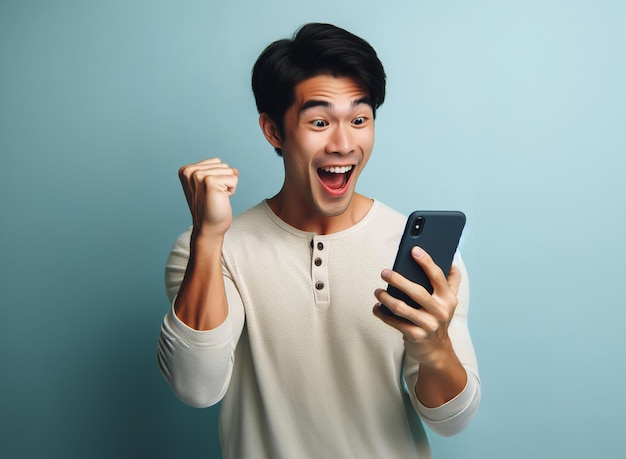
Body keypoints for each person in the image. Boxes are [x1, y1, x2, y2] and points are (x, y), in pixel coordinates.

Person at [158, 22, 480, 458]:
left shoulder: (420, 253)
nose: (344, 143)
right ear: (274, 131)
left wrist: (435, 345)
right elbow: (197, 387)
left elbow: (453, 421)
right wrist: (209, 237)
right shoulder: (211, 251)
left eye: (360, 119)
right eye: (320, 121)